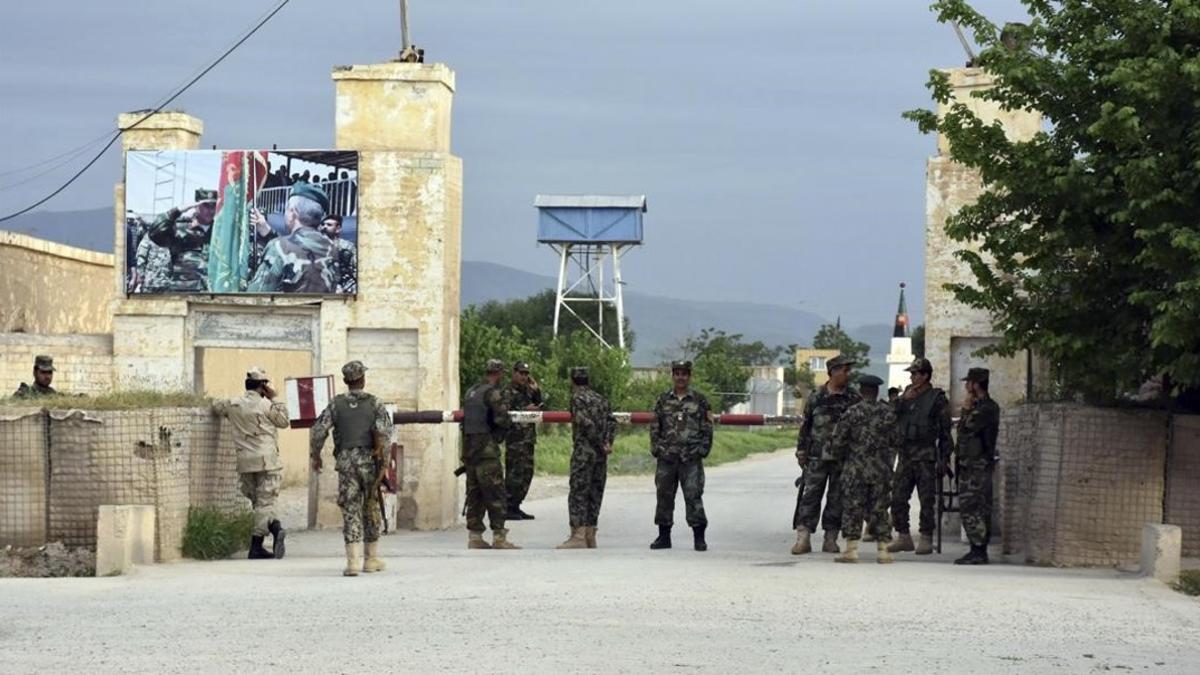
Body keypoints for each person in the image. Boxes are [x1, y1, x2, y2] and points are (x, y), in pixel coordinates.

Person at [309, 361, 394, 576]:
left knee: (350, 508)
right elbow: (384, 434)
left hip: (346, 462)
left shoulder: (336, 404)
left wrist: (316, 455)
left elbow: (319, 430)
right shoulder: (375, 403)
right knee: (372, 506)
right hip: (369, 461)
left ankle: (353, 562)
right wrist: (384, 462)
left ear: (346, 381)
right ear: (363, 379)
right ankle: (371, 559)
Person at [211, 367, 290, 559]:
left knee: (259, 503)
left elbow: (216, 406)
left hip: (245, 461)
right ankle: (256, 545)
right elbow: (284, 421)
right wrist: (274, 397)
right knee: (266, 501)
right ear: (263, 386)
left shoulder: (233, 404)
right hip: (267, 461)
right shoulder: (266, 405)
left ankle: (275, 527)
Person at [792, 354, 861, 555]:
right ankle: (803, 538)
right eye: (845, 370)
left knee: (837, 498)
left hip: (842, 459)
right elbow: (806, 427)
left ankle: (830, 538)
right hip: (816, 457)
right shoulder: (816, 397)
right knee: (810, 496)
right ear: (833, 372)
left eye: (849, 370)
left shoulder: (853, 398)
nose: (848, 374)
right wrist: (801, 451)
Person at [830, 375, 899, 564]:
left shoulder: (852, 412)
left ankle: (851, 550)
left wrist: (842, 460)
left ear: (861, 391)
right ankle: (883, 551)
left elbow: (838, 442)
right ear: (877, 391)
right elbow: (896, 440)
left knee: (853, 508)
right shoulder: (888, 413)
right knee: (880, 509)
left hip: (855, 470)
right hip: (881, 470)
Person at [888, 357, 953, 556]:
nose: (912, 377)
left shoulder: (936, 398)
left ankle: (926, 537)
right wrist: (901, 399)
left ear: (925, 375)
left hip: (926, 456)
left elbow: (944, 431)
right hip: (906, 455)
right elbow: (888, 415)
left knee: (926, 500)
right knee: (898, 497)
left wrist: (944, 458)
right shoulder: (907, 395)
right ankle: (904, 536)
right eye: (911, 374)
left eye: (916, 373)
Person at [649, 360, 713, 552]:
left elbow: (707, 428)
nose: (680, 377)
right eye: (677, 373)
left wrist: (702, 450)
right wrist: (658, 449)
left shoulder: (700, 401)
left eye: (684, 374)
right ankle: (664, 536)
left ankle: (699, 537)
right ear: (672, 375)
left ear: (689, 376)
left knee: (693, 496)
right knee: (664, 497)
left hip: (690, 458)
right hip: (667, 458)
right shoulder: (663, 400)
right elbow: (655, 426)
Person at [460, 359, 520, 550]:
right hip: (487, 452)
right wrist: (500, 435)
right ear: (499, 373)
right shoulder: (492, 393)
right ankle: (499, 537)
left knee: (474, 494)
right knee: (495, 493)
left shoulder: (471, 392)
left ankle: (475, 536)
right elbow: (502, 419)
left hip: (470, 451)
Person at [557, 367, 614, 549]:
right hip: (600, 454)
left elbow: (585, 422)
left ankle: (578, 535)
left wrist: (598, 442)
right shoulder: (601, 399)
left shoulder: (577, 398)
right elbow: (611, 422)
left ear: (572, 381)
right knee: (595, 492)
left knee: (579, 492)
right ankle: (590, 535)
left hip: (584, 452)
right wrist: (607, 443)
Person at [248, 183, 336, 293]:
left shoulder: (279, 247)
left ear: (292, 212)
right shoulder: (332, 248)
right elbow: (299, 246)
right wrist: (267, 231)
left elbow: (255, 296)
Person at [954, 368, 1001, 565]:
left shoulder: (986, 408)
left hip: (977, 465)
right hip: (970, 464)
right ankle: (977, 548)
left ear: (976, 384)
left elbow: (967, 427)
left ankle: (979, 549)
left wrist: (965, 410)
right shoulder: (981, 406)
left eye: (969, 383)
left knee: (974, 506)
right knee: (970, 506)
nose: (966, 387)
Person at [147, 188, 217, 291]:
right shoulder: (180, 228)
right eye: (206, 206)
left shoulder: (220, 230)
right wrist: (177, 211)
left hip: (212, 292)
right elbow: (154, 233)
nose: (210, 210)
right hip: (184, 291)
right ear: (196, 206)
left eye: (213, 206)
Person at [502, 361, 543, 520]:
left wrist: (537, 390)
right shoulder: (508, 391)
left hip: (528, 439)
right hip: (515, 439)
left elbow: (540, 406)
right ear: (514, 373)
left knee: (527, 473)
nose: (524, 377)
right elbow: (504, 413)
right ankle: (508, 506)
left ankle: (516, 505)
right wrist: (524, 411)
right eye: (521, 373)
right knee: (514, 473)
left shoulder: (527, 391)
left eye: (526, 374)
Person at [318, 214, 358, 294]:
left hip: (344, 286)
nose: (324, 227)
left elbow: (355, 270)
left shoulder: (347, 247)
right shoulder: (315, 246)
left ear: (338, 229)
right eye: (323, 224)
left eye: (329, 225)